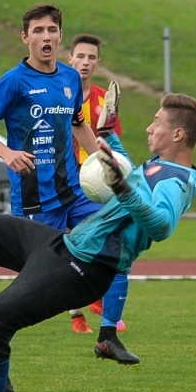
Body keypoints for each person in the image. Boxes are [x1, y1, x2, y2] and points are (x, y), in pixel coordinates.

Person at [0, 93, 196, 392]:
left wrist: (122, 188)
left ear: (177, 135)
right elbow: (126, 173)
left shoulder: (178, 182)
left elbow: (160, 225)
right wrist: (108, 136)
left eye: (157, 122)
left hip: (86, 266)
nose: (150, 127)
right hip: (65, 246)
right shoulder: (158, 165)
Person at [0, 4, 137, 392]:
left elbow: (79, 124)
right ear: (25, 37)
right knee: (27, 291)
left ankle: (108, 333)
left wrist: (104, 160)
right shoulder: (14, 82)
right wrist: (7, 153)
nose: (46, 37)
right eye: (38, 31)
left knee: (120, 238)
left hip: (74, 193)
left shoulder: (67, 78)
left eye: (52, 30)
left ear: (59, 36)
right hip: (35, 202)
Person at [67, 34, 131, 339]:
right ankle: (78, 313)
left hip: (93, 180)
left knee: (101, 236)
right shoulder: (58, 93)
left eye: (91, 57)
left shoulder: (105, 99)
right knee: (64, 243)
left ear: (97, 63)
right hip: (61, 178)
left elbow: (111, 142)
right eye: (81, 56)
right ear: (71, 59)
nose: (86, 62)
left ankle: (98, 303)